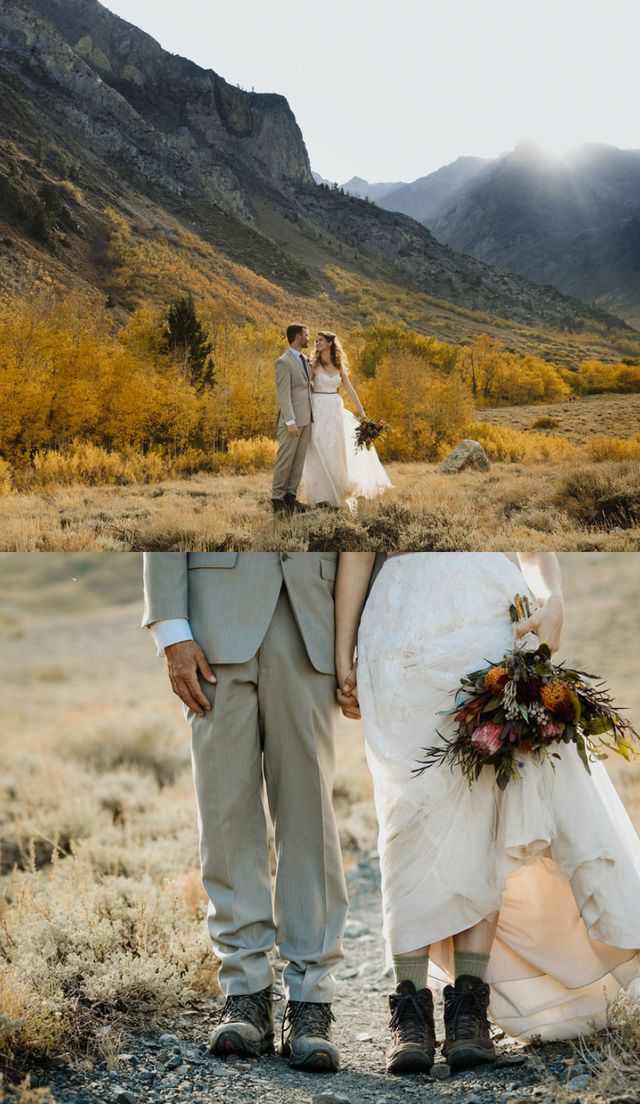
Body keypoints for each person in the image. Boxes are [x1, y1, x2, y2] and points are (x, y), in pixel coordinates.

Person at [334, 552, 640, 1076]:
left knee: (486, 811)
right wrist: (344, 655)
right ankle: (409, 1009)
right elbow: (358, 548)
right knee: (405, 817)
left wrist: (552, 599)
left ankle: (468, 1010)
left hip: (489, 621)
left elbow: (536, 543)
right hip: (398, 631)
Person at [142, 552, 346, 1072]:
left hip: (312, 619)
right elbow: (167, 518)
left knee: (311, 817)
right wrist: (172, 631)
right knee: (226, 814)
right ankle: (246, 992)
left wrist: (357, 635)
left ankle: (311, 1000)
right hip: (212, 625)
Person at [302, 330, 392, 510]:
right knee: (319, 449)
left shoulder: (338, 366)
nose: (317, 343)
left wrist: (362, 413)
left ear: (329, 343)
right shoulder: (313, 365)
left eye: (321, 340)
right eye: (316, 340)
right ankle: (321, 495)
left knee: (336, 450)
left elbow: (350, 389)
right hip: (318, 409)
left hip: (335, 410)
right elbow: (305, 387)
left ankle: (337, 491)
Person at [271, 323, 313, 515]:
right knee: (285, 460)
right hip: (292, 422)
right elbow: (284, 394)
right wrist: (290, 421)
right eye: (306, 335)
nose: (308, 338)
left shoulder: (306, 359)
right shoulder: (284, 361)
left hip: (307, 419)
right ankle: (277, 499)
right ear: (298, 336)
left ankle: (290, 498)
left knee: (298, 461)